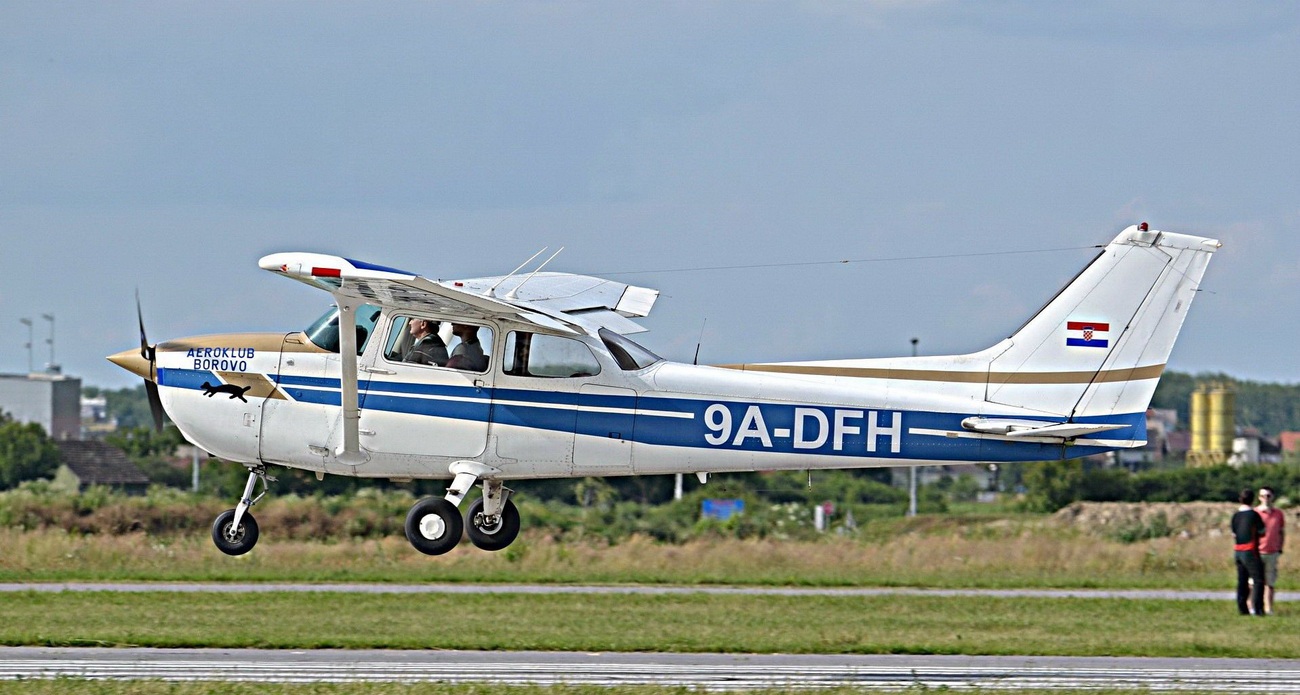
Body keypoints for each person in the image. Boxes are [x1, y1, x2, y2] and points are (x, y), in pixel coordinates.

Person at [1232, 488, 1267, 616]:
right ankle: (1258, 609)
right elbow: (1262, 531)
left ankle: (1242, 608)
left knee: (1242, 580)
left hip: (1238, 551)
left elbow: (1234, 534)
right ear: (1252, 500)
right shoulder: (1254, 515)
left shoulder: (1235, 515)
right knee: (1258, 580)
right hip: (1250, 550)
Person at [1256, 486, 1286, 615]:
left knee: (1270, 581)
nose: (1266, 498)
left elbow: (1281, 532)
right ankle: (1253, 606)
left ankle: (1269, 608)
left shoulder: (1278, 514)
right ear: (1259, 498)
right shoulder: (1255, 513)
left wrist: (1280, 547)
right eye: (1263, 496)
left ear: (1272, 497)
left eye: (1268, 496)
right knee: (1254, 582)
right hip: (1257, 551)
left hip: (1272, 551)